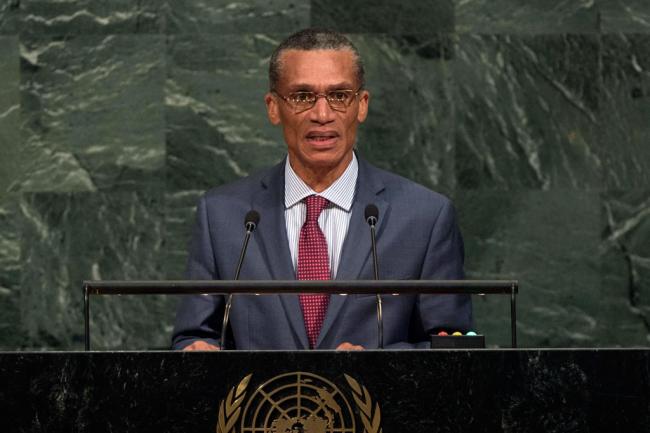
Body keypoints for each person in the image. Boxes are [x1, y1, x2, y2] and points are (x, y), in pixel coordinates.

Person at [172, 28, 472, 351]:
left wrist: (379, 368)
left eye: (339, 96)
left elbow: (454, 349)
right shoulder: (223, 216)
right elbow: (192, 337)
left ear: (362, 105)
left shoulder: (424, 218)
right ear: (273, 107)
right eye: (302, 97)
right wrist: (197, 352)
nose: (322, 114)